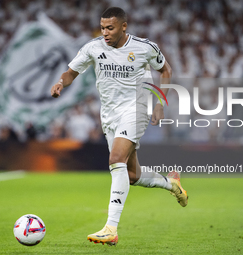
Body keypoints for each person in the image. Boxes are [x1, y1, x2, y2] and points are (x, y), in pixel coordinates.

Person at [51, 7, 188, 246]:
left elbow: (165, 70)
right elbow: (71, 72)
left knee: (116, 160)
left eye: (110, 28)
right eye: (103, 27)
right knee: (132, 175)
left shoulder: (144, 47)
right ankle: (171, 183)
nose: (105, 32)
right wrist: (61, 82)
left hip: (137, 108)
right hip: (110, 115)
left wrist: (159, 103)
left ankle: (111, 228)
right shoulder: (93, 47)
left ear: (124, 27)